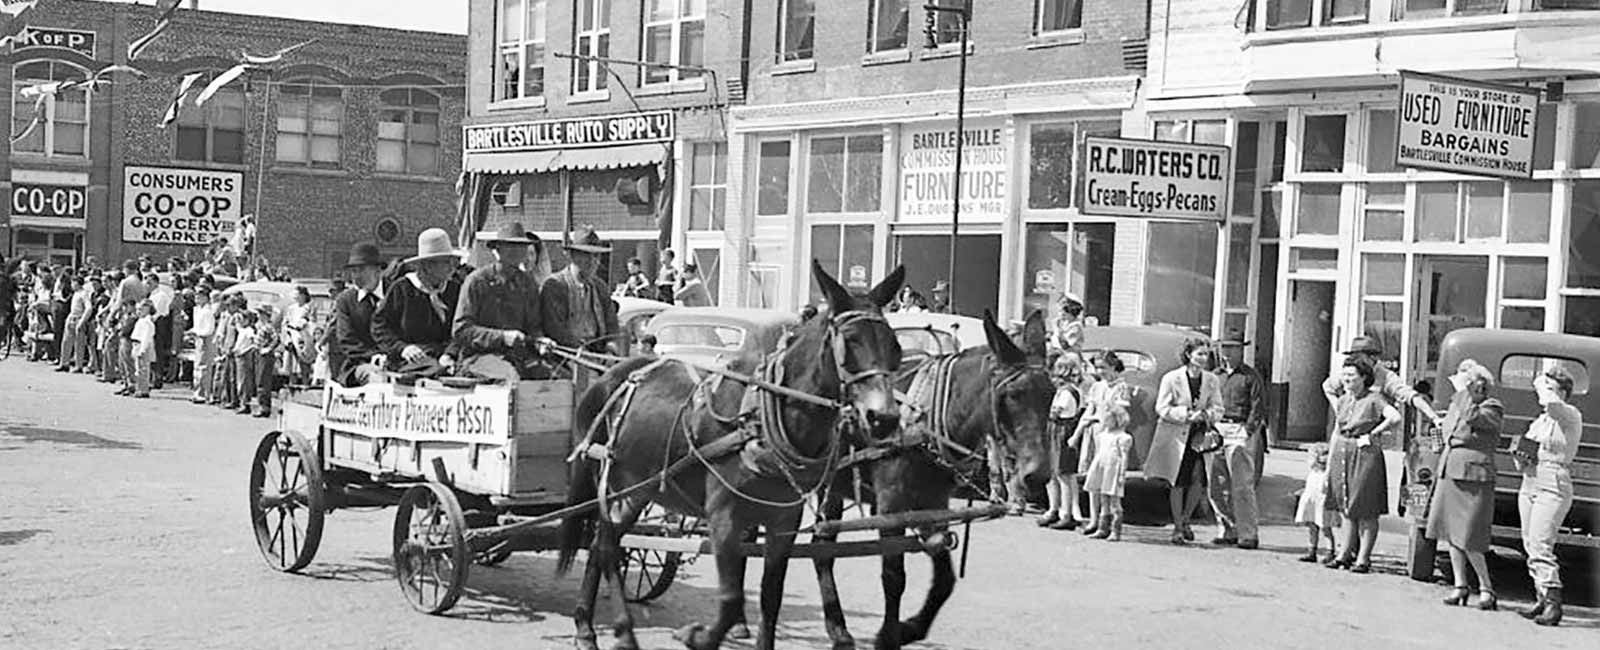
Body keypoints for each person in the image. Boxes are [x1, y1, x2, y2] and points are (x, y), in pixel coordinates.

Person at [1427, 359, 1504, 611]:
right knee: (1451, 533)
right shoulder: (1457, 403)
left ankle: (1486, 587)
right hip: (1450, 469)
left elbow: (1474, 418)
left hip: (1473, 476)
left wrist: (1463, 393)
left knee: (1470, 536)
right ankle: (1460, 585)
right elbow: (1449, 432)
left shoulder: (1491, 407)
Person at [1514, 365, 1582, 627]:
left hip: (1553, 481)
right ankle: (1541, 596)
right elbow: (1528, 448)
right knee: (1530, 543)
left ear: (1563, 392)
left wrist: (1543, 384)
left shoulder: (1569, 414)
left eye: (1552, 388)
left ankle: (1554, 601)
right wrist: (1520, 456)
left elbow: (1553, 405)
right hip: (1530, 479)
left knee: (1542, 543)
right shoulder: (1540, 421)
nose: (1543, 393)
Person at [1326, 356, 1402, 574]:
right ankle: (1343, 554)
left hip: (1365, 453)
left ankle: (1363, 558)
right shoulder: (1343, 399)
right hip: (1343, 450)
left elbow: (1395, 417)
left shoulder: (1374, 399)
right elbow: (1338, 427)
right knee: (1346, 505)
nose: (1346, 378)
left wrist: (1373, 433)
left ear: (1363, 377)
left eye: (1351, 375)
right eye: (1345, 374)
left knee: (1366, 507)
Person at [1150, 338, 1223, 545]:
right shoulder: (1171, 378)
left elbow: (1218, 407)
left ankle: (1185, 518)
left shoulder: (1211, 380)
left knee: (1199, 479)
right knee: (1178, 479)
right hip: (1177, 435)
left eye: (1206, 354)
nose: (1203, 358)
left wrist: (1206, 414)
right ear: (1189, 354)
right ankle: (1177, 526)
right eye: (1200, 353)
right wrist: (1185, 414)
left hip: (1200, 436)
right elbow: (1162, 407)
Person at [453, 223, 547, 381]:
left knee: (557, 377)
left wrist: (541, 341)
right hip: (477, 358)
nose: (516, 251)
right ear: (498, 249)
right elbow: (461, 330)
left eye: (521, 246)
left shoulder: (528, 284)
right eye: (510, 246)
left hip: (518, 357)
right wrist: (502, 337)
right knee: (510, 376)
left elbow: (533, 328)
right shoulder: (477, 281)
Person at [374, 228, 464, 376]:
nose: (451, 267)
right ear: (427, 265)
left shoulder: (454, 290)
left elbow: (461, 329)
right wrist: (402, 348)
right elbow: (380, 327)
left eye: (452, 262)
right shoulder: (402, 289)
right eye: (446, 262)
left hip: (446, 357)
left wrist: (450, 354)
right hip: (411, 360)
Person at [1208, 330, 1266, 549]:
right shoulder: (1215, 376)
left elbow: (1258, 406)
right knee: (1217, 484)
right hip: (1217, 428)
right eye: (1224, 348)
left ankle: (1248, 533)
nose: (1227, 353)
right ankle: (1227, 529)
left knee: (1242, 485)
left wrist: (1248, 431)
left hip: (1239, 428)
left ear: (1241, 350)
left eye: (1232, 348)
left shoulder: (1250, 376)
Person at [1069, 350, 1135, 537]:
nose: (1100, 371)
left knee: (1107, 479)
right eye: (1097, 368)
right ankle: (1094, 519)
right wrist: (1076, 434)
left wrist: (1100, 418)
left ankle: (1107, 521)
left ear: (1114, 367)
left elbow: (1119, 413)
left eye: (1104, 368)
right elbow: (1089, 410)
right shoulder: (1097, 387)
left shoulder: (1121, 388)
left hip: (1110, 432)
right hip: (1094, 433)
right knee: (1093, 477)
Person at [541, 226, 620, 355]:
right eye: (587, 254)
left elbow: (612, 326)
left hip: (598, 352)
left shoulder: (600, 287)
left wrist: (611, 347)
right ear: (572, 256)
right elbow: (555, 329)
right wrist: (581, 351)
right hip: (564, 354)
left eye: (597, 255)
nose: (593, 261)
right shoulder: (555, 285)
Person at [1324, 336, 1439, 424]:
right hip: (1347, 430)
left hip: (1373, 431)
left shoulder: (1386, 377)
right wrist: (1339, 409)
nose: (1355, 360)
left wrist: (1433, 417)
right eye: (1353, 356)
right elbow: (1328, 386)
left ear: (1372, 357)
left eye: (1359, 357)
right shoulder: (1349, 373)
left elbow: (1410, 396)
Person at [1038, 353, 1085, 530]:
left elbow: (1055, 412)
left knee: (1063, 474)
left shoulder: (1067, 392)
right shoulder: (1067, 390)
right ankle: (1054, 509)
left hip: (1062, 431)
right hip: (1056, 430)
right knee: (1054, 472)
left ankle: (1066, 513)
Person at [331, 242, 386, 386]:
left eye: (361, 270)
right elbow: (346, 339)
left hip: (396, 361)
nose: (356, 276)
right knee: (378, 379)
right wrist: (373, 356)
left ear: (377, 270)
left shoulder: (394, 294)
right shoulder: (346, 300)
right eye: (353, 271)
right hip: (359, 364)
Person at [1083, 401, 1134, 541]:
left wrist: (1122, 474)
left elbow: (1124, 457)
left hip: (1113, 470)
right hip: (1102, 467)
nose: (1105, 422)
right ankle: (1102, 528)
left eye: (1108, 419)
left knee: (1114, 501)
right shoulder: (1103, 435)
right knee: (1103, 498)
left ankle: (1115, 531)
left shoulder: (1123, 437)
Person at [1295, 442, 1340, 563]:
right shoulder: (1313, 472)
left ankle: (1330, 551)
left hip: (1322, 503)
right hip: (1312, 502)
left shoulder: (1328, 473)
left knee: (1326, 528)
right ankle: (1312, 550)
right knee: (1312, 528)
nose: (1324, 457)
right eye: (1321, 454)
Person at [188, 289, 217, 403]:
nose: (197, 298)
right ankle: (197, 392)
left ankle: (203, 393)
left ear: (206, 297)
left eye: (199, 296)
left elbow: (209, 329)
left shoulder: (208, 311)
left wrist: (197, 333)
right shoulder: (198, 310)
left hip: (204, 339)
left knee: (203, 367)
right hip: (198, 338)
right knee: (197, 366)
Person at [251, 305, 279, 417]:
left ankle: (264, 407)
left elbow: (276, 339)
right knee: (259, 379)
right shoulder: (260, 326)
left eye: (261, 313)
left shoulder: (268, 327)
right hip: (258, 353)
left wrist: (268, 349)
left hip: (265, 356)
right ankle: (261, 405)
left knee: (263, 380)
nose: (259, 316)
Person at [232, 307, 259, 414]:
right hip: (238, 356)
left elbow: (253, 342)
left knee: (243, 381)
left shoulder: (249, 331)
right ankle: (242, 402)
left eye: (243, 318)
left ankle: (245, 403)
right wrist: (236, 319)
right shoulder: (243, 330)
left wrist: (245, 351)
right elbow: (238, 327)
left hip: (244, 357)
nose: (241, 321)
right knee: (239, 380)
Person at [128, 299, 157, 399]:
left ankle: (143, 389)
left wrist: (142, 349)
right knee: (138, 368)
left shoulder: (147, 322)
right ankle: (139, 388)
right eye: (138, 309)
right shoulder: (141, 320)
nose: (139, 311)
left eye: (141, 309)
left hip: (142, 345)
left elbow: (146, 337)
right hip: (136, 344)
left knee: (143, 369)